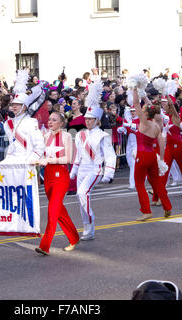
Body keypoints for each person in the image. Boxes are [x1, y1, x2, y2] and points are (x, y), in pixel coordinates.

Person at [70, 81, 117, 240]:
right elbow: (78, 155)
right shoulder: (80, 135)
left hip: (95, 169)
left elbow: (110, 155)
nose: (88, 121)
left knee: (83, 193)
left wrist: (109, 173)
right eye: (86, 119)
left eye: (91, 119)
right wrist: (73, 171)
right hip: (82, 169)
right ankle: (88, 229)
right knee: (79, 196)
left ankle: (90, 220)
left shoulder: (103, 135)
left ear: (97, 120)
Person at [34, 112, 79, 255]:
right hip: (48, 176)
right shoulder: (45, 136)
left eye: (54, 120)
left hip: (61, 176)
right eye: (50, 120)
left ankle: (45, 245)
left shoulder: (66, 136)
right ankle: (74, 237)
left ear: (61, 123)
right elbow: (40, 155)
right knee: (59, 210)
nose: (50, 122)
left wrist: (49, 160)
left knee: (52, 211)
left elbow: (69, 158)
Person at [132, 88, 172, 221]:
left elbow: (136, 103)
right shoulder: (156, 125)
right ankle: (167, 206)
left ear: (145, 112)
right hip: (152, 156)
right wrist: (160, 160)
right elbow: (161, 145)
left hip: (142, 155)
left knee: (139, 184)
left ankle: (146, 211)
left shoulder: (144, 121)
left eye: (143, 109)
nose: (140, 109)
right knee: (157, 182)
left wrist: (134, 88)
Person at [160, 97, 182, 197]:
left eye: (167, 106)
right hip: (169, 145)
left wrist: (167, 94)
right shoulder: (167, 118)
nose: (165, 108)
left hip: (177, 145)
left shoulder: (176, 117)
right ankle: (159, 189)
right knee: (164, 168)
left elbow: (173, 109)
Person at [1, 92, 45, 164]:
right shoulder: (8, 124)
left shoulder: (31, 122)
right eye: (13, 104)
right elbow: (12, 143)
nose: (14, 107)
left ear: (24, 107)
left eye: (18, 105)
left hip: (26, 160)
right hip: (11, 159)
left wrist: (32, 159)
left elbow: (39, 144)